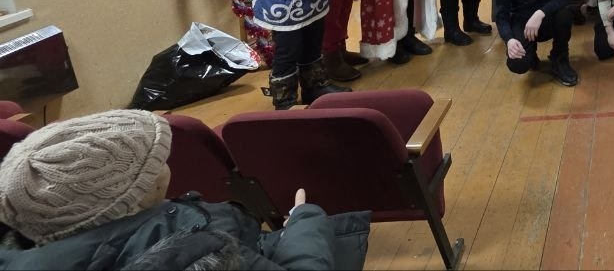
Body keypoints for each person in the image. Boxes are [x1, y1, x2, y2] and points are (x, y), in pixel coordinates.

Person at [0, 110, 370, 269]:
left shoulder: (25, 247)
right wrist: (305, 223)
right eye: (155, 163)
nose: (167, 165)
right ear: (131, 198)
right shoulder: (196, 253)